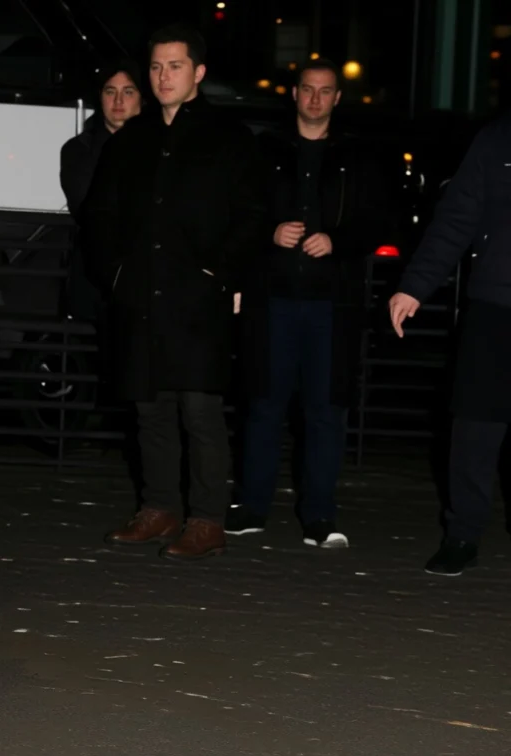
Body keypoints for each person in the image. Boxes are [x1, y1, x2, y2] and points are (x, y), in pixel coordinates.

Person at [86, 24, 265, 560]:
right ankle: (159, 507)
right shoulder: (131, 140)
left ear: (199, 72)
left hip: (197, 298)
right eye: (157, 67)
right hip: (141, 294)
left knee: (200, 411)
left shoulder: (230, 138)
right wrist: (117, 274)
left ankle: (207, 519)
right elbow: (100, 217)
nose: (164, 77)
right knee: (150, 409)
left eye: (176, 66)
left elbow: (254, 214)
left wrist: (219, 273)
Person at [230, 60, 394, 548]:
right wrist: (270, 233)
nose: (316, 99)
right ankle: (252, 506)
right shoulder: (265, 150)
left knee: (326, 410)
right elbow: (238, 212)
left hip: (331, 304)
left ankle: (319, 515)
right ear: (295, 93)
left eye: (325, 91)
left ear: (337, 98)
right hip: (273, 299)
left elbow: (377, 220)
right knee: (264, 405)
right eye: (308, 89)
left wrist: (337, 241)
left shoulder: (358, 156)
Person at [390, 112, 511, 576]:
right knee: (474, 427)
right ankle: (462, 535)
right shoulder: (496, 140)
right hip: (495, 303)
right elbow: (457, 216)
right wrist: (415, 285)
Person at [59, 60, 143, 323]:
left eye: (128, 92)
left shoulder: (160, 146)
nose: (118, 100)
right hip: (96, 278)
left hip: (148, 280)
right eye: (110, 91)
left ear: (142, 98)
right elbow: (87, 210)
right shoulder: (79, 149)